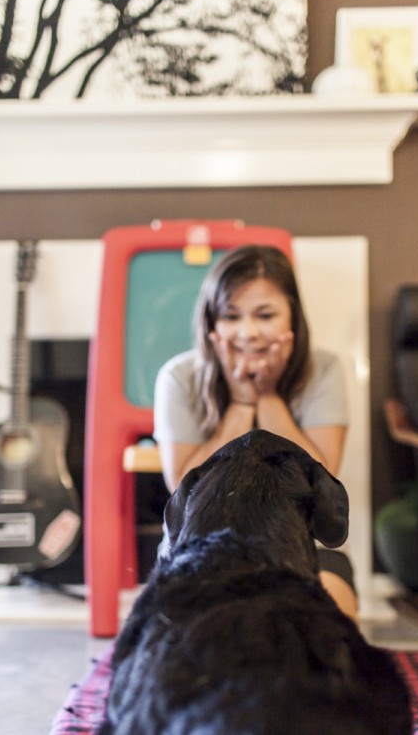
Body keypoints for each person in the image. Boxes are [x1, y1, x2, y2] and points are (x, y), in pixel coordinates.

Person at [153, 244, 358, 622]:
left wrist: (267, 398)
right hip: (198, 543)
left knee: (334, 619)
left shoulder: (324, 370)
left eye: (265, 315)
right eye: (231, 316)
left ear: (291, 317)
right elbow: (182, 485)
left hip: (298, 544)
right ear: (212, 324)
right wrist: (240, 403)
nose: (248, 333)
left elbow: (323, 477)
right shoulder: (178, 377)